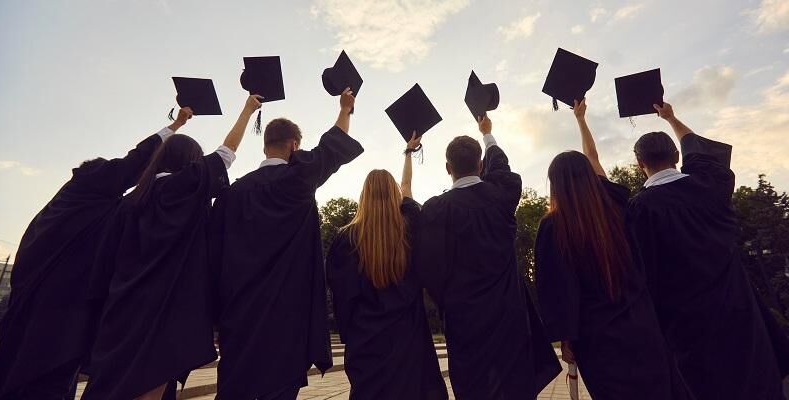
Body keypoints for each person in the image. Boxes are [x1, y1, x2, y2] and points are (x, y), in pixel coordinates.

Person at [0, 108, 190, 400]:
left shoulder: (67, 211)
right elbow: (133, 163)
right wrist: (175, 126)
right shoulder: (87, 183)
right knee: (43, 382)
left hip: (41, 314)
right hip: (56, 318)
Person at [81, 95, 261, 400]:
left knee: (111, 386)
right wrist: (248, 109)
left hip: (120, 310)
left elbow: (104, 263)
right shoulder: (185, 188)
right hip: (165, 311)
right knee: (148, 387)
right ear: (191, 162)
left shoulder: (128, 204)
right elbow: (226, 152)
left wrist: (175, 125)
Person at [535, 99, 691, 399]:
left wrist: (566, 337)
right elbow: (592, 158)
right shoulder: (619, 208)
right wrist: (581, 120)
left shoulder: (554, 226)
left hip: (599, 339)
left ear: (555, 185)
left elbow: (558, 288)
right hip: (642, 324)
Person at [212, 88, 363, 400]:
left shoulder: (232, 195)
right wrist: (345, 109)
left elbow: (213, 255)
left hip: (239, 316)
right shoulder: (298, 181)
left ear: (265, 146)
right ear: (295, 146)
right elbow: (332, 146)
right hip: (287, 317)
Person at [627, 102, 783, 399]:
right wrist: (670, 118)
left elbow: (645, 275)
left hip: (689, 326)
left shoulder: (640, 209)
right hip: (740, 311)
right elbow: (700, 152)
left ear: (639, 164)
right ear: (676, 157)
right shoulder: (711, 186)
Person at [415, 114, 561, 400]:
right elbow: (502, 168)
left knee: (473, 390)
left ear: (448, 168)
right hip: (509, 317)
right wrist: (487, 134)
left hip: (464, 319)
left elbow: (429, 270)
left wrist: (449, 300)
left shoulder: (435, 210)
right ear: (480, 166)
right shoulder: (500, 196)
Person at [326, 133, 448, 400]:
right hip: (408, 339)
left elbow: (343, 299)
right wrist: (408, 153)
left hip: (366, 342)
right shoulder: (410, 227)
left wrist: (352, 334)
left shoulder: (346, 240)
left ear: (363, 196)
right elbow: (407, 188)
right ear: (394, 195)